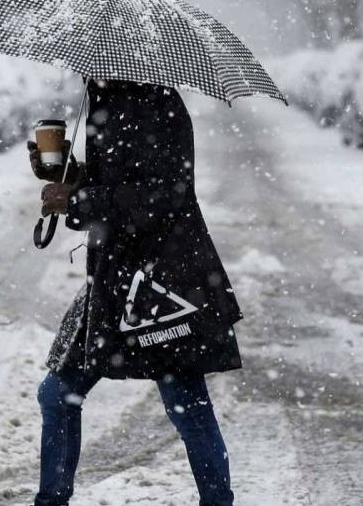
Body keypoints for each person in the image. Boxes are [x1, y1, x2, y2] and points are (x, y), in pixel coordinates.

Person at [27, 79, 242, 506]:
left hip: (159, 280)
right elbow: (121, 180)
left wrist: (78, 199)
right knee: (57, 393)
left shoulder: (152, 102)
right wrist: (62, 173)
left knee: (187, 404)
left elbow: (160, 196)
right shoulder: (110, 96)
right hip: (114, 278)